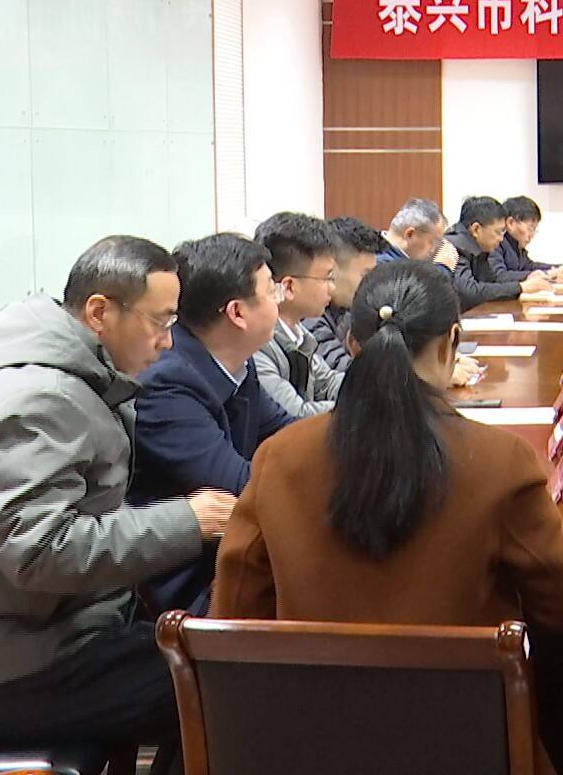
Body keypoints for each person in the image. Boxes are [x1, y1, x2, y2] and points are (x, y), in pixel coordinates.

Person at [212, 260, 563, 775]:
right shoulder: (500, 461)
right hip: (465, 744)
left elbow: (236, 614)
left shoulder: (280, 457)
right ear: (451, 341)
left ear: (352, 344)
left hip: (312, 744)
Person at [0, 237, 236, 773]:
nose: (167, 342)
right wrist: (190, 520)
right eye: (160, 322)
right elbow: (38, 552)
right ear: (99, 312)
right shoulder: (40, 398)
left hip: (59, 630)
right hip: (15, 669)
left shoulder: (78, 379)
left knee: (219, 657)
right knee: (227, 686)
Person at [131, 232, 295, 613]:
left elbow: (287, 432)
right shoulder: (166, 383)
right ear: (237, 313)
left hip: (230, 556)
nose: (279, 300)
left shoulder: (237, 362)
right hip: (183, 585)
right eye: (271, 291)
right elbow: (240, 487)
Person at [251, 211, 345, 419]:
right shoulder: (257, 344)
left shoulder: (297, 332)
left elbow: (328, 383)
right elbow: (296, 416)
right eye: (327, 278)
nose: (332, 288)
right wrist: (363, 410)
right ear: (289, 287)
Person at [306, 217, 389, 373]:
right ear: (331, 270)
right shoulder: (308, 314)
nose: (371, 284)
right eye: (365, 275)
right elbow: (345, 372)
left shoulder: (346, 309)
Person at [444, 195, 555, 310]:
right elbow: (469, 292)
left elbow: (492, 282)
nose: (501, 239)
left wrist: (525, 286)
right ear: (476, 229)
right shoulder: (453, 247)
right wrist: (521, 287)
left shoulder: (478, 248)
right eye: (498, 232)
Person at [495, 195, 563, 283]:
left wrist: (558, 268)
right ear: (511, 223)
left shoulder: (516, 245)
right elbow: (499, 276)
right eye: (530, 228)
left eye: (534, 230)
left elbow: (529, 266)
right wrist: (547, 274)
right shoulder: (495, 243)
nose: (532, 235)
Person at [379, 197, 454, 270]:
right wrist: (444, 268)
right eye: (432, 241)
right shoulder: (384, 266)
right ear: (410, 234)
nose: (432, 249)